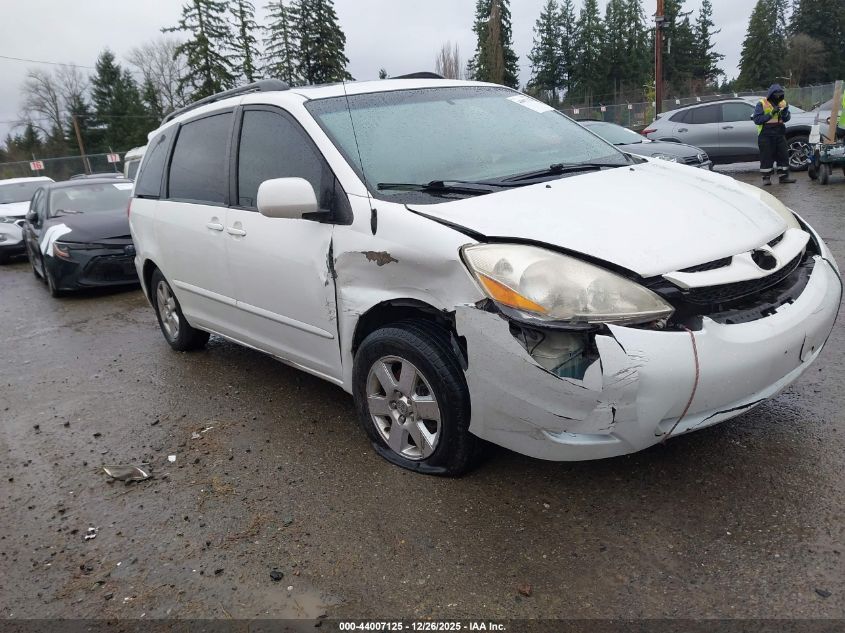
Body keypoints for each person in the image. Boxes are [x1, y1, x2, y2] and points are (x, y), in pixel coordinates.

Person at [752, 84, 795, 186]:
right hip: (765, 135)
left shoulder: (783, 103)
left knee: (783, 156)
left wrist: (785, 113)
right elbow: (757, 120)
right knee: (766, 157)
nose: (778, 97)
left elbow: (786, 118)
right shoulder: (761, 103)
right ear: (771, 94)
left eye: (780, 95)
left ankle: (784, 177)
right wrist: (771, 113)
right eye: (776, 95)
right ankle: (766, 178)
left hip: (779, 133)